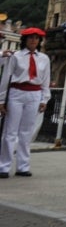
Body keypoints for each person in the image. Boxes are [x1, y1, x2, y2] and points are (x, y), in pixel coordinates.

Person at [0, 27, 51, 178]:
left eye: (36, 38)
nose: (33, 40)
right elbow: (6, 78)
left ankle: (23, 166)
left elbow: (45, 80)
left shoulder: (44, 58)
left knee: (26, 132)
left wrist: (44, 99)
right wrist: (2, 100)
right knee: (10, 131)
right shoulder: (15, 56)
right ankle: (3, 166)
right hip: (16, 92)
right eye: (30, 38)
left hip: (34, 93)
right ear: (25, 40)